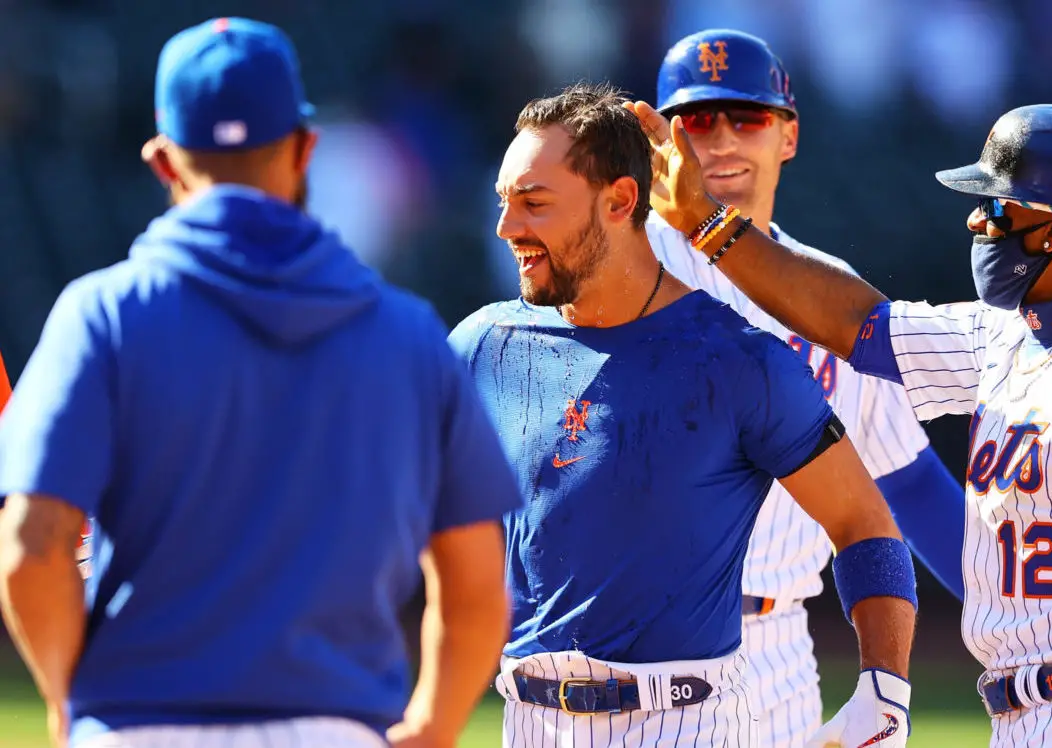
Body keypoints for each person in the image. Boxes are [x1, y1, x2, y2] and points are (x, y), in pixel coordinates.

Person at [628, 98, 1052, 747]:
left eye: (999, 205)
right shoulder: (1006, 337)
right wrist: (711, 225)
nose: (977, 217)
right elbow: (855, 325)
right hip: (1028, 712)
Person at [0, 17, 520, 748]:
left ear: (161, 161)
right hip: (335, 730)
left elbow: (33, 546)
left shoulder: (103, 317)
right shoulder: (407, 333)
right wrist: (431, 728)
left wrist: (67, 704)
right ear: (306, 148)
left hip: (142, 727)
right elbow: (474, 582)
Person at [449, 81, 917, 748]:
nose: (507, 227)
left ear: (620, 200)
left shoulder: (737, 361)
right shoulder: (482, 345)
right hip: (527, 723)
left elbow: (863, 523)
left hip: (683, 725)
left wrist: (884, 689)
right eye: (505, 203)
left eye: (533, 203)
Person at [645, 30, 967, 746]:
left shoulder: (825, 291)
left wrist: (1019, 617)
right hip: (639, 641)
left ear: (787, 136)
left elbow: (908, 482)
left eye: (747, 118)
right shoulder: (622, 268)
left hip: (778, 653)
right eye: (696, 120)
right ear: (660, 140)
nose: (721, 139)